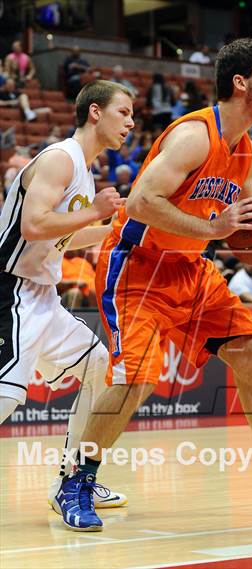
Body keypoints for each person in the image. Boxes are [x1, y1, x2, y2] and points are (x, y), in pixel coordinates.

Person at [54, 37, 252, 533]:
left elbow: (244, 225)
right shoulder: (194, 135)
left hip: (192, 270)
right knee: (137, 380)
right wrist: (215, 228)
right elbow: (142, 202)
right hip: (139, 267)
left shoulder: (246, 150)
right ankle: (77, 480)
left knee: (248, 351)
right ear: (240, 82)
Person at [0, 80, 135, 512]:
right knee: (5, 397)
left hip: (41, 295)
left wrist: (117, 230)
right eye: (124, 113)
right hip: (11, 289)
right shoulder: (61, 159)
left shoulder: (83, 168)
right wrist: (96, 211)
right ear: (95, 112)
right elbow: (34, 226)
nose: (131, 123)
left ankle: (73, 480)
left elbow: (63, 237)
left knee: (101, 366)